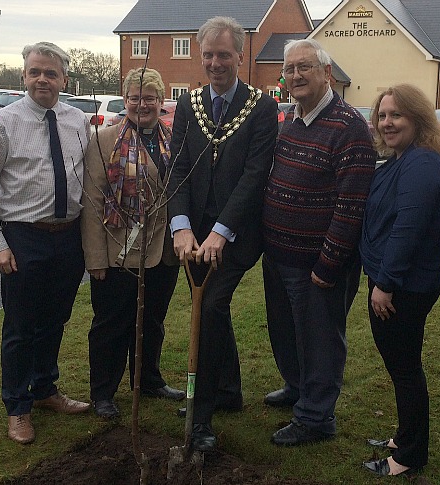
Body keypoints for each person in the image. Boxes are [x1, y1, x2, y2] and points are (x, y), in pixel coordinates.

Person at [0, 42, 92, 445]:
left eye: (51, 73)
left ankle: (44, 389)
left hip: (68, 236)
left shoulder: (77, 120)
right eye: (35, 72)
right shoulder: (2, 122)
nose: (43, 79)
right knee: (21, 327)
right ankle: (17, 406)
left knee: (55, 320)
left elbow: (86, 180)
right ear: (23, 76)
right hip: (23, 236)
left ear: (64, 79)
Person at [166, 16, 277, 451]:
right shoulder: (189, 105)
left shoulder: (261, 106)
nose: (215, 63)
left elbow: (254, 175)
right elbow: (176, 166)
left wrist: (221, 232)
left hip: (238, 234)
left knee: (209, 308)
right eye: (208, 55)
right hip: (192, 236)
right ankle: (229, 390)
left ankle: (202, 416)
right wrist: (181, 227)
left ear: (240, 56)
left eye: (224, 55)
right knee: (213, 309)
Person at [262, 39, 375, 446]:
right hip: (278, 256)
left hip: (317, 264)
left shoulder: (349, 128)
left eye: (305, 68)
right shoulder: (289, 120)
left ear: (327, 73)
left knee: (320, 341)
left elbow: (351, 206)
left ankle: (316, 417)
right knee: (287, 333)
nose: (295, 76)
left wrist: (328, 265)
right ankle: (297, 388)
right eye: (290, 69)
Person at [359, 85, 440, 476]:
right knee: (402, 365)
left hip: (403, 287)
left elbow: (407, 229)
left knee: (405, 368)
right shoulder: (401, 160)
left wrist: (385, 284)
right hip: (396, 280)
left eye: (396, 115)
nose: (387, 122)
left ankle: (408, 457)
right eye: (382, 115)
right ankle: (405, 435)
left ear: (417, 118)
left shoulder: (422, 165)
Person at [81, 68, 184, 419]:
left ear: (161, 100)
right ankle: (103, 393)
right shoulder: (103, 140)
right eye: (135, 99)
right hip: (118, 251)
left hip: (164, 252)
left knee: (153, 322)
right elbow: (93, 202)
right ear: (125, 101)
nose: (142, 105)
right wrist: (95, 257)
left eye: (150, 98)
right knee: (112, 323)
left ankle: (149, 380)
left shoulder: (174, 140)